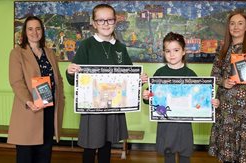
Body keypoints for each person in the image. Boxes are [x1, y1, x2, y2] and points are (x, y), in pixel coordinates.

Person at [66, 4, 147, 163]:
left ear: (115, 22)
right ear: (94, 23)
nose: (105, 24)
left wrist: (138, 80)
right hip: (92, 107)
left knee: (107, 145)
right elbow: (73, 80)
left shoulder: (120, 48)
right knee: (90, 146)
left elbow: (128, 76)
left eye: (109, 20)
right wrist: (70, 72)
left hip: (113, 105)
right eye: (101, 20)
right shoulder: (86, 45)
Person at [142, 32, 220, 163]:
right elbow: (151, 99)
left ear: (184, 51)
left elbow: (199, 101)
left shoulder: (190, 74)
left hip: (184, 124)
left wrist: (211, 103)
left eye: (176, 50)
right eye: (168, 51)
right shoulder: (160, 73)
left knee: (185, 154)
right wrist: (146, 96)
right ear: (164, 53)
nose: (172, 54)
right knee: (168, 154)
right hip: (166, 123)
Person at [208, 11, 246, 163]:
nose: (236, 27)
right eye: (232, 23)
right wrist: (223, 82)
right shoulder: (222, 49)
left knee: (244, 154)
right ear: (228, 27)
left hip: (245, 108)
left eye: (240, 23)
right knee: (226, 153)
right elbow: (213, 75)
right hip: (225, 107)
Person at [8, 16, 65, 163]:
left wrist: (61, 97)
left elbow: (58, 78)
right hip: (30, 110)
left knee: (44, 154)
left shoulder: (50, 53)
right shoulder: (17, 53)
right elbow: (16, 81)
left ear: (42, 31)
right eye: (30, 29)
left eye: (38, 28)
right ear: (25, 32)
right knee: (26, 156)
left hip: (49, 110)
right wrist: (28, 100)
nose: (35, 32)